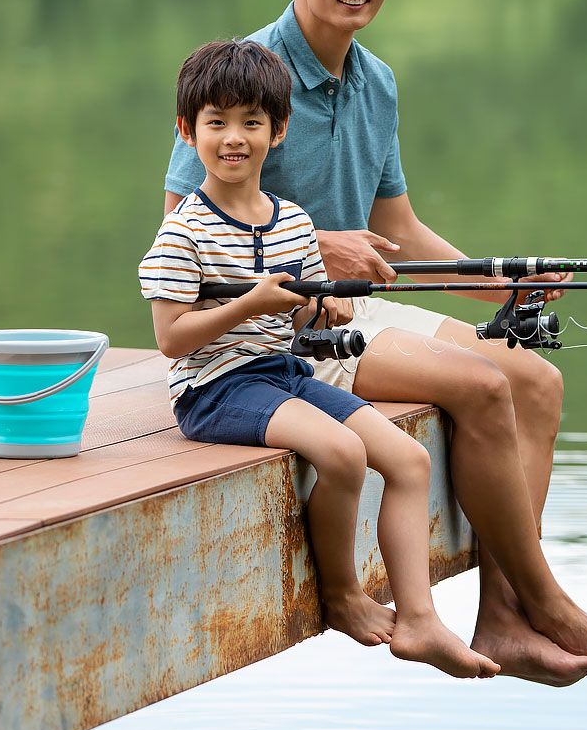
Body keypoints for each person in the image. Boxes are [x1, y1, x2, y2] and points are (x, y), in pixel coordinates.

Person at [162, 0, 587, 685]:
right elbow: (184, 228)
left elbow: (400, 233)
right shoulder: (246, 80)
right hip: (279, 333)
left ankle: (503, 618)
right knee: (476, 381)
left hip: (355, 308)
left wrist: (501, 278)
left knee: (534, 377)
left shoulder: (377, 81)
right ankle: (550, 602)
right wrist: (317, 247)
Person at [141, 39, 500, 679]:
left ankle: (418, 618)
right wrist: (251, 303)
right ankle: (342, 596)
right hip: (216, 389)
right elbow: (173, 339)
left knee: (408, 459)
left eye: (251, 123)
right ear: (186, 130)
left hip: (285, 373)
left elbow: (303, 315)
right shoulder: (183, 232)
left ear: (278, 132)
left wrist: (321, 313)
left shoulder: (293, 223)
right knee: (342, 454)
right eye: (215, 123)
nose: (233, 139)